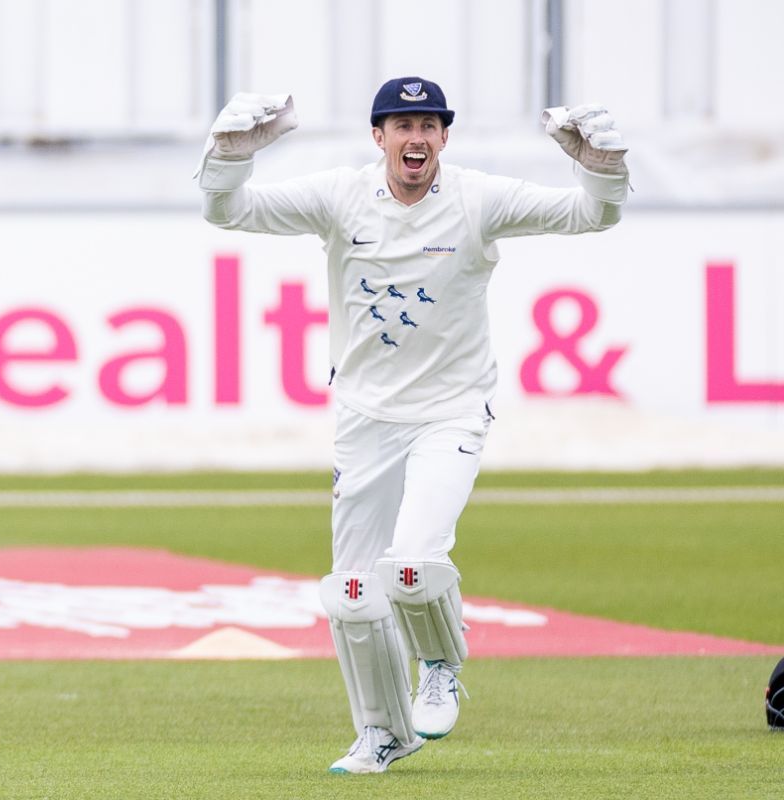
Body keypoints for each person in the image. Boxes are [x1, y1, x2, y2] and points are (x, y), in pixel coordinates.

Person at [197, 77, 628, 774]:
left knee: (412, 565)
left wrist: (604, 169)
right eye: (402, 125)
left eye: (429, 124)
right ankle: (381, 733)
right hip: (364, 419)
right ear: (379, 137)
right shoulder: (341, 195)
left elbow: (591, 216)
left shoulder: (477, 198)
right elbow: (228, 211)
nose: (416, 137)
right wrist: (228, 156)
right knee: (354, 594)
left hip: (450, 411)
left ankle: (438, 665)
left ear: (444, 137)